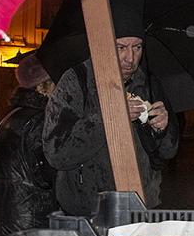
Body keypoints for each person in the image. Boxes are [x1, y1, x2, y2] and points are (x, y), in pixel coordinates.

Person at [43, 35, 179, 215]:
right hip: (88, 211)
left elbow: (168, 152)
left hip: (141, 207)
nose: (130, 58)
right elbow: (57, 154)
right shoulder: (77, 80)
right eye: (121, 48)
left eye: (137, 47)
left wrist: (161, 130)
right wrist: (110, 118)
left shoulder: (149, 83)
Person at [0, 55, 59, 236]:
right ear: (43, 87)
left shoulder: (13, 115)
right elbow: (47, 173)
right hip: (28, 218)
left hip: (6, 216)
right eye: (56, 83)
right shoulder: (40, 120)